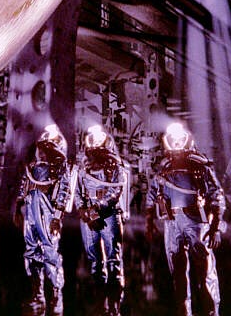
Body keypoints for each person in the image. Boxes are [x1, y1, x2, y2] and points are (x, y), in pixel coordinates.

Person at [145, 122, 226, 316]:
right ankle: (184, 312)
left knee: (205, 272)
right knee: (178, 273)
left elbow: (217, 195)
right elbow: (152, 194)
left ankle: (211, 311)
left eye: (180, 139)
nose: (176, 142)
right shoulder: (164, 167)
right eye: (173, 139)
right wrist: (149, 220)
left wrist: (215, 227)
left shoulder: (200, 165)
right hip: (172, 223)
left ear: (187, 139)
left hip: (196, 222)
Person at [14, 124, 75, 316]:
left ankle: (56, 292)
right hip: (31, 211)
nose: (43, 151)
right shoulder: (32, 167)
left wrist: (56, 217)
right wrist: (18, 207)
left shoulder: (60, 168)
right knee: (31, 250)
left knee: (50, 251)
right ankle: (37, 292)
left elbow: (64, 191)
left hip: (48, 212)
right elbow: (24, 186)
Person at [75, 124, 127, 316]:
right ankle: (100, 298)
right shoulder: (83, 165)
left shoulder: (115, 165)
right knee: (94, 257)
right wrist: (83, 210)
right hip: (88, 215)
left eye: (99, 138)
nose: (96, 141)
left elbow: (116, 190)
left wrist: (97, 209)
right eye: (93, 138)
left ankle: (115, 301)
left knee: (113, 256)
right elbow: (77, 190)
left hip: (108, 214)